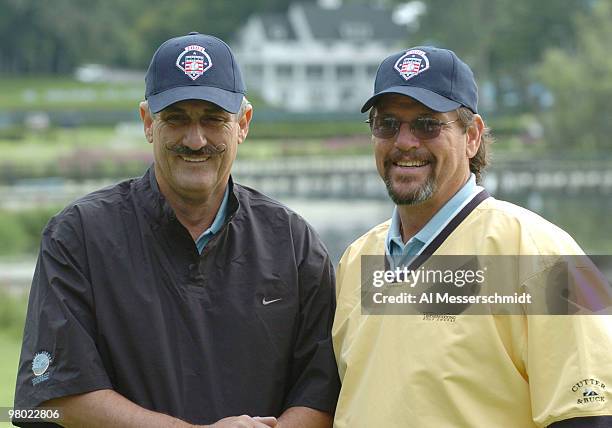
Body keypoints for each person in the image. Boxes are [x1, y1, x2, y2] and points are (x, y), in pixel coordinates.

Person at [14, 32, 339, 428]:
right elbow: (54, 397)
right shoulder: (79, 235)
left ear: (243, 124)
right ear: (148, 122)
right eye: (177, 118)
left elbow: (322, 390)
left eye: (213, 119)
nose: (196, 138)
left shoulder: (293, 243)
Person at [332, 46, 612, 427]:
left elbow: (590, 417)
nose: (404, 141)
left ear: (473, 136)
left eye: (427, 124)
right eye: (387, 124)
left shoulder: (547, 254)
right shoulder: (354, 261)